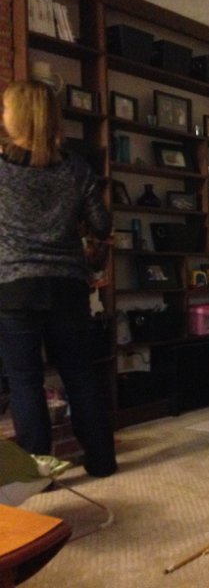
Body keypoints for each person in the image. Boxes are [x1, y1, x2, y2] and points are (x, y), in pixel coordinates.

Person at [0, 80, 117, 477]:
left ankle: (39, 475)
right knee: (80, 374)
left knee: (24, 381)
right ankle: (102, 462)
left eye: (5, 109)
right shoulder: (75, 168)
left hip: (15, 288)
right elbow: (102, 224)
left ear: (17, 117)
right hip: (67, 285)